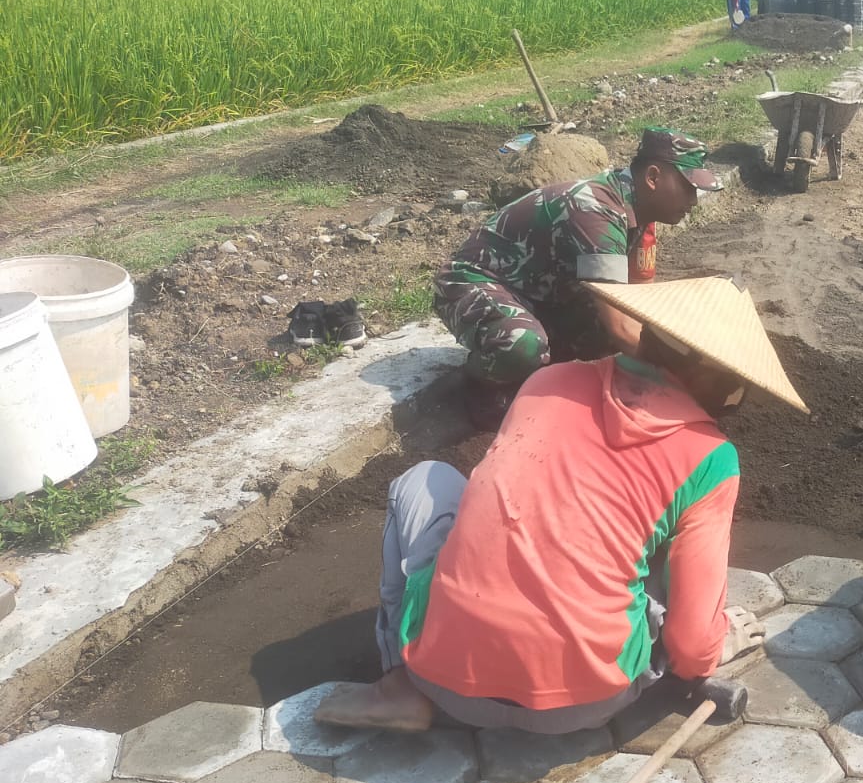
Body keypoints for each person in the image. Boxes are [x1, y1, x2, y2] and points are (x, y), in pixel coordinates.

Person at [314, 276, 809, 734]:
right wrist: (715, 645)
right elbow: (693, 646)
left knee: (424, 479)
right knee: (660, 551)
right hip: (583, 702)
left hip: (444, 681)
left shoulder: (547, 383)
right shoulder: (711, 458)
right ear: (721, 381)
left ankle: (399, 684)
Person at [433, 127, 721, 427]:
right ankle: (480, 384)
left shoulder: (643, 217)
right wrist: (679, 378)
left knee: (603, 336)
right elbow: (621, 326)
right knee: (523, 346)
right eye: (688, 187)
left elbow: (637, 306)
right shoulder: (595, 210)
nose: (694, 201)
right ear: (652, 177)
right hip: (471, 281)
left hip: (537, 292)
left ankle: (541, 374)